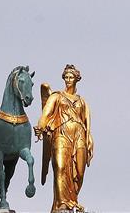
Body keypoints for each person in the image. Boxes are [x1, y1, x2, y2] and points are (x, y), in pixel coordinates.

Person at [34, 64, 94, 212]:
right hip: (61, 134)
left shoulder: (82, 102)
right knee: (60, 167)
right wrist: (40, 127)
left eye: (71, 77)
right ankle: (62, 204)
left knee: (79, 172)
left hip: (79, 134)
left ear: (76, 79)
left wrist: (89, 139)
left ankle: (73, 200)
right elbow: (46, 115)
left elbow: (87, 123)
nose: (68, 79)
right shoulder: (56, 96)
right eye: (66, 77)